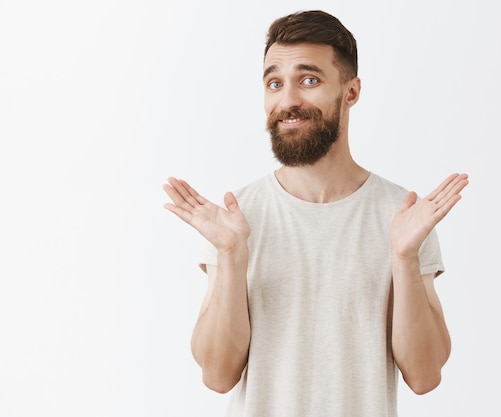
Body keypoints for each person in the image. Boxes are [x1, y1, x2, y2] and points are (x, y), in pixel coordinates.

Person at [163, 10, 468, 417]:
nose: (288, 100)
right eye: (275, 83)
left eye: (309, 80)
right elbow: (218, 376)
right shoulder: (235, 218)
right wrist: (233, 257)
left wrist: (404, 259)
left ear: (351, 91)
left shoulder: (404, 217)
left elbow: (425, 376)